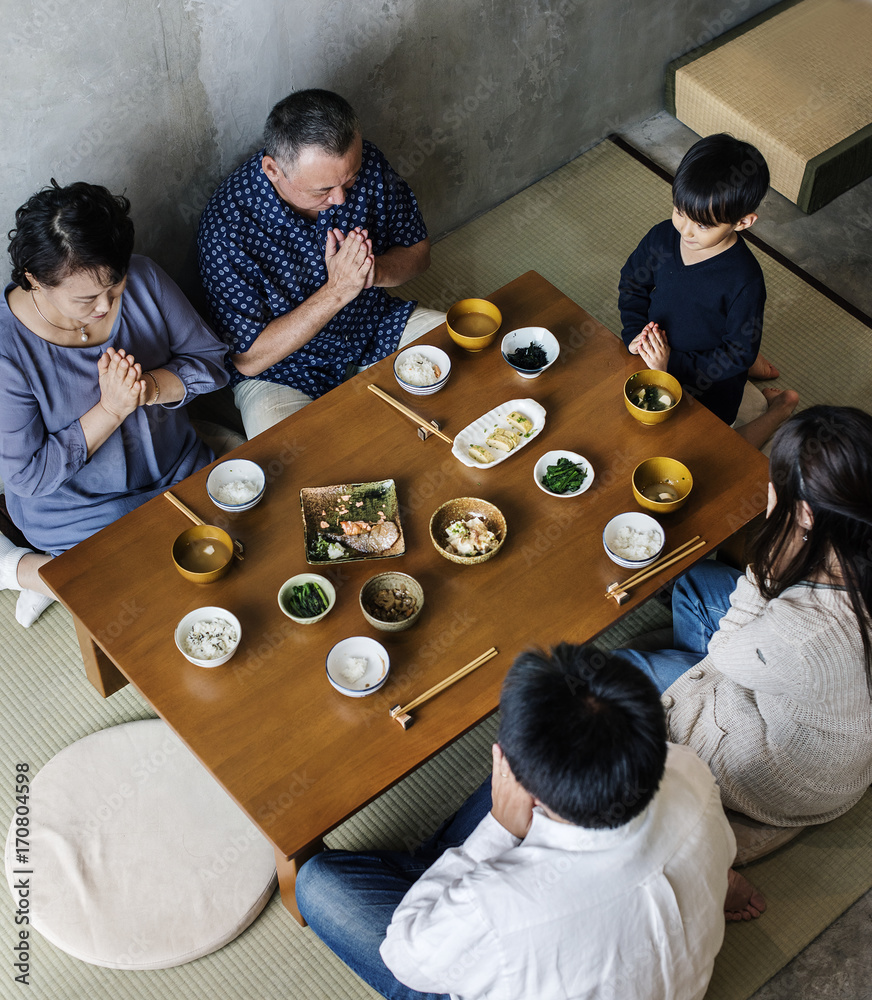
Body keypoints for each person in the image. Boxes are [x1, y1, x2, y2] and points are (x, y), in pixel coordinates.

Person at [296, 644, 737, 1000]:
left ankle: (437, 868)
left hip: (487, 933)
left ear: (537, 790)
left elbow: (405, 958)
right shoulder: (689, 771)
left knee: (316, 882)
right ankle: (438, 866)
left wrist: (500, 828)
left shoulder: (495, 910)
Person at [612, 405, 872, 910]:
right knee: (694, 586)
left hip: (791, 772)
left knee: (616, 668)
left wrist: (767, 568)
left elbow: (728, 654)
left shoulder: (805, 630)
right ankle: (697, 678)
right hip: (839, 720)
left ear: (807, 513)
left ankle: (704, 850)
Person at [0, 181, 230, 626]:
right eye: (86, 299)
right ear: (34, 280)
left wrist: (148, 388)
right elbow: (26, 476)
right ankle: (26, 570)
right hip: (78, 509)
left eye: (115, 286)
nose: (106, 306)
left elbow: (212, 363)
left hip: (176, 469)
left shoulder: (143, 276)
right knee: (146, 609)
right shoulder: (8, 351)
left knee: (231, 558)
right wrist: (110, 410)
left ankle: (56, 579)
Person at [198, 88, 443, 439]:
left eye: (350, 179)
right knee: (298, 467)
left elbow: (419, 253)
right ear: (273, 170)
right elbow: (248, 358)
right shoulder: (227, 227)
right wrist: (337, 291)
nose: (341, 198)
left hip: (373, 326)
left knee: (468, 361)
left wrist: (372, 273)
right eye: (322, 190)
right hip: (283, 370)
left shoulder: (366, 163)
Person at [618, 133, 798, 450]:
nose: (685, 230)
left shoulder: (745, 280)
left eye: (703, 225)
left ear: (742, 222)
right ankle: (755, 366)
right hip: (655, 357)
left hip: (709, 385)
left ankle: (780, 408)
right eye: (679, 211)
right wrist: (634, 331)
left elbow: (737, 352)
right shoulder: (663, 237)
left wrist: (672, 363)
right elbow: (633, 281)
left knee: (711, 451)